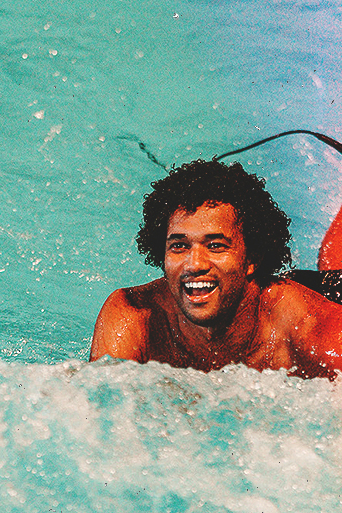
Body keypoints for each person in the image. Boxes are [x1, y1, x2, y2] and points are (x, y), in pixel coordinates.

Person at [90, 159, 342, 379]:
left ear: (252, 258)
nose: (194, 264)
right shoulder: (134, 316)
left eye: (215, 246)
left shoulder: (311, 328)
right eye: (179, 246)